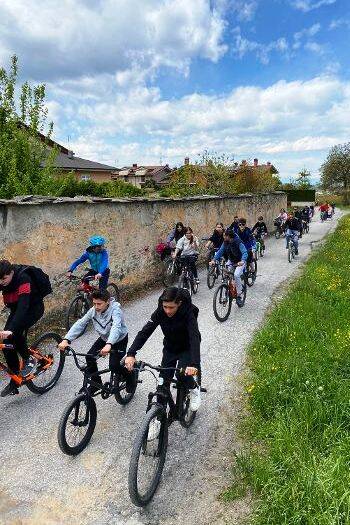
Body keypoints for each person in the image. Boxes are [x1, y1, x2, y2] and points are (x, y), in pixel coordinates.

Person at [125, 287, 202, 412]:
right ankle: (158, 417)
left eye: (171, 307)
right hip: (170, 348)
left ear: (179, 303)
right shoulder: (160, 312)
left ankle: (194, 388)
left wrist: (194, 364)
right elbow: (145, 332)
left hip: (187, 348)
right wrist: (131, 353)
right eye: (165, 306)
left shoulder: (188, 313)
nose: (167, 311)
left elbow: (194, 338)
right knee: (162, 383)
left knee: (182, 374)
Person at [58, 289, 134, 393]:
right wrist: (67, 339)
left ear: (107, 302)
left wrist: (109, 344)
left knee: (114, 366)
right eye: (94, 303)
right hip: (105, 339)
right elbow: (80, 323)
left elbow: (116, 327)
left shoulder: (116, 311)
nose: (96, 307)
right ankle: (96, 384)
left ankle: (130, 376)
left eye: (99, 304)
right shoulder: (93, 311)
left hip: (119, 340)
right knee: (89, 357)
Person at [0, 260, 45, 397]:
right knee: (6, 345)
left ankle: (28, 358)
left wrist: (12, 329)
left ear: (11, 272)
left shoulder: (23, 278)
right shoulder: (3, 279)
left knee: (14, 334)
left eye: (4, 278)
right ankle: (15, 379)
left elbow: (24, 306)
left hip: (33, 309)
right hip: (16, 310)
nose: (1, 282)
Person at [211, 229, 248, 307]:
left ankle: (239, 294)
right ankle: (228, 287)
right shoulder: (225, 242)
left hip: (240, 262)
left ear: (228, 236)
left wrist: (242, 261)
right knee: (225, 272)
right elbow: (220, 251)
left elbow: (245, 252)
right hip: (231, 261)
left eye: (224, 235)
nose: (223, 237)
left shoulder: (238, 242)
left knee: (236, 275)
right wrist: (214, 260)